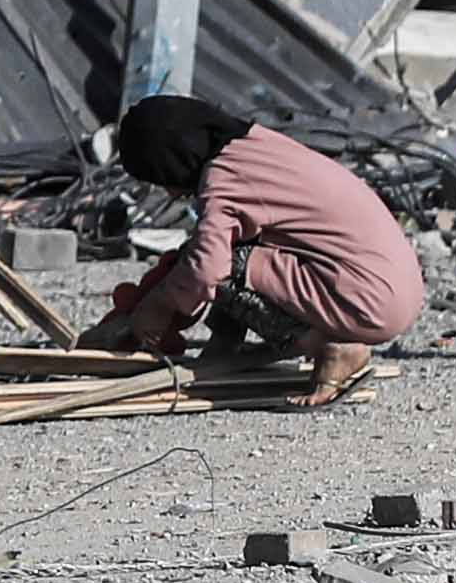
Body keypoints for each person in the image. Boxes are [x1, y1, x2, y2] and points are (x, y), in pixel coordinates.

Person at [82, 93, 421, 399]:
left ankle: (328, 349)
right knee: (223, 250)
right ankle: (225, 346)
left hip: (370, 298)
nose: (169, 193)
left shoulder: (224, 179)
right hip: (394, 284)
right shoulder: (255, 145)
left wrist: (158, 304)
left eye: (161, 179)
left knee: (219, 264)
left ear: (172, 161)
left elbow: (208, 269)